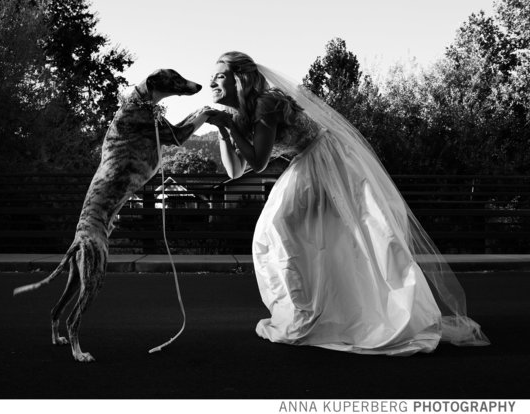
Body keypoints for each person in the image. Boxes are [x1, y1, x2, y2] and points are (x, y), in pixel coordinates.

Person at [204, 51, 490, 355]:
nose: (211, 81)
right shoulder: (241, 114)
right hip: (307, 162)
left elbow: (258, 163)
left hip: (326, 158)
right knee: (290, 234)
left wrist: (231, 127)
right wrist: (224, 128)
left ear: (240, 79)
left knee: (292, 229)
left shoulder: (266, 102)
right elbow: (236, 170)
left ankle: (308, 314)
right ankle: (314, 310)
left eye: (219, 75)